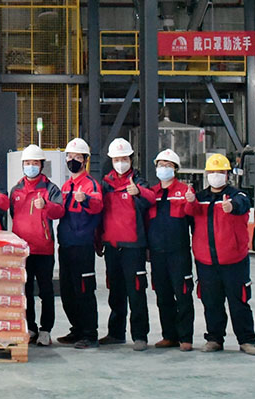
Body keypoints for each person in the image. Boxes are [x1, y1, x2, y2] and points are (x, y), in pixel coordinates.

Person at [184, 154, 255, 356]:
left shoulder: (237, 195)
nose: (216, 175)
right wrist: (190, 202)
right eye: (212, 172)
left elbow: (243, 204)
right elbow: (189, 214)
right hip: (206, 261)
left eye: (220, 172)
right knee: (211, 302)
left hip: (234, 261)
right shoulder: (200, 198)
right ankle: (214, 339)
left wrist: (231, 206)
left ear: (227, 174)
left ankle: (246, 340)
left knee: (239, 302)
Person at [99, 137, 156, 351]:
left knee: (137, 292)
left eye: (124, 159)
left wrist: (138, 192)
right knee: (116, 292)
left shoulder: (139, 183)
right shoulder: (105, 184)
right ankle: (116, 333)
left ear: (131, 159)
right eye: (117, 159)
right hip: (112, 246)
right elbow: (99, 213)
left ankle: (140, 335)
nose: (120, 163)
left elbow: (151, 200)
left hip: (134, 247)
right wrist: (99, 240)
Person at [9, 144, 65, 347]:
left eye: (34, 163)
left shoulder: (50, 189)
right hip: (22, 251)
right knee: (25, 291)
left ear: (41, 165)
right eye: (27, 163)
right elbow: (13, 213)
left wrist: (46, 206)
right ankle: (30, 327)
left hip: (43, 249)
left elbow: (60, 211)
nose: (30, 166)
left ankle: (46, 329)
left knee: (46, 291)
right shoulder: (16, 190)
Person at [56, 138, 103, 349]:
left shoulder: (91, 185)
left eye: (77, 157)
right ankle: (76, 329)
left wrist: (86, 200)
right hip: (66, 244)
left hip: (82, 245)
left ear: (85, 160)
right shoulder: (66, 186)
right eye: (69, 156)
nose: (72, 160)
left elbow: (98, 206)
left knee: (84, 290)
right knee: (68, 291)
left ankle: (89, 334)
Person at [147, 148, 195, 351]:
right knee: (163, 295)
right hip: (157, 253)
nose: (164, 168)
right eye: (161, 165)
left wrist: (191, 202)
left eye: (168, 165)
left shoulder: (185, 192)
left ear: (175, 169)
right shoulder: (152, 194)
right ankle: (169, 336)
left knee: (183, 295)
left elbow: (194, 218)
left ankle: (185, 337)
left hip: (179, 253)